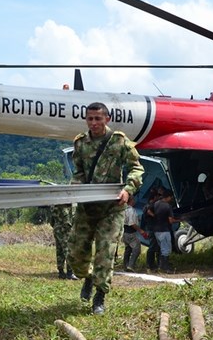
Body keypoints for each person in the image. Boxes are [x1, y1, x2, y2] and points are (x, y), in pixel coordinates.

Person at [69, 102, 143, 315]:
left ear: (107, 119)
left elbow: (136, 168)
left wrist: (128, 189)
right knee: (75, 255)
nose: (94, 123)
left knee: (105, 252)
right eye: (90, 119)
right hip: (86, 206)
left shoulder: (118, 141)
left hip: (112, 207)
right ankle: (89, 277)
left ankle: (100, 296)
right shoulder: (80, 143)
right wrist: (75, 187)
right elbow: (78, 172)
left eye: (98, 119)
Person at [150, 189, 178, 273]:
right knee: (166, 249)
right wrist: (178, 220)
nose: (171, 199)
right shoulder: (168, 206)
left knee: (162, 248)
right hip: (164, 230)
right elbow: (170, 221)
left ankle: (161, 265)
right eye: (171, 197)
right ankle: (165, 268)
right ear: (168, 197)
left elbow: (149, 211)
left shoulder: (156, 204)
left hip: (156, 231)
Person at [49, 202, 77, 279]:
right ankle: (70, 273)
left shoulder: (53, 206)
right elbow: (67, 220)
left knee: (59, 251)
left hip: (57, 229)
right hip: (65, 230)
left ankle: (61, 272)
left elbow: (51, 221)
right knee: (68, 250)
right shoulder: (64, 207)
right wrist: (70, 229)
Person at [121, 194, 147, 272]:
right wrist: (140, 230)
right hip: (130, 232)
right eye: (133, 200)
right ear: (131, 201)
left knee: (128, 248)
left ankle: (125, 265)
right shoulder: (131, 210)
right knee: (137, 248)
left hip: (123, 232)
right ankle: (131, 265)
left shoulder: (123, 209)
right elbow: (132, 223)